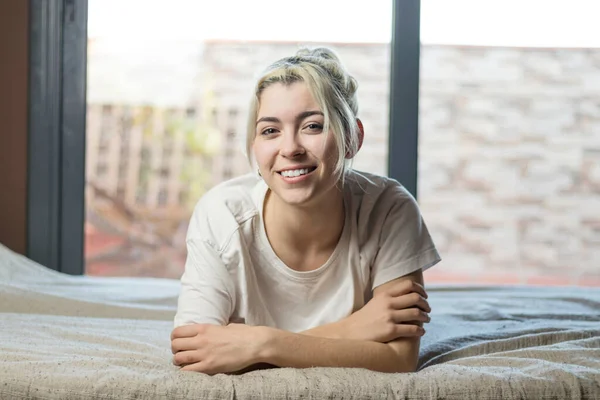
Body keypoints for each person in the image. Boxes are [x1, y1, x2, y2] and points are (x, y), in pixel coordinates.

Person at [170, 47, 441, 375]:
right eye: (270, 130)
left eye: (312, 126)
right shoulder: (222, 214)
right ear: (255, 146)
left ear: (353, 137)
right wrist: (352, 330)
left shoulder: (389, 208)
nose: (290, 148)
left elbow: (400, 359)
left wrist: (260, 345)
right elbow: (194, 356)